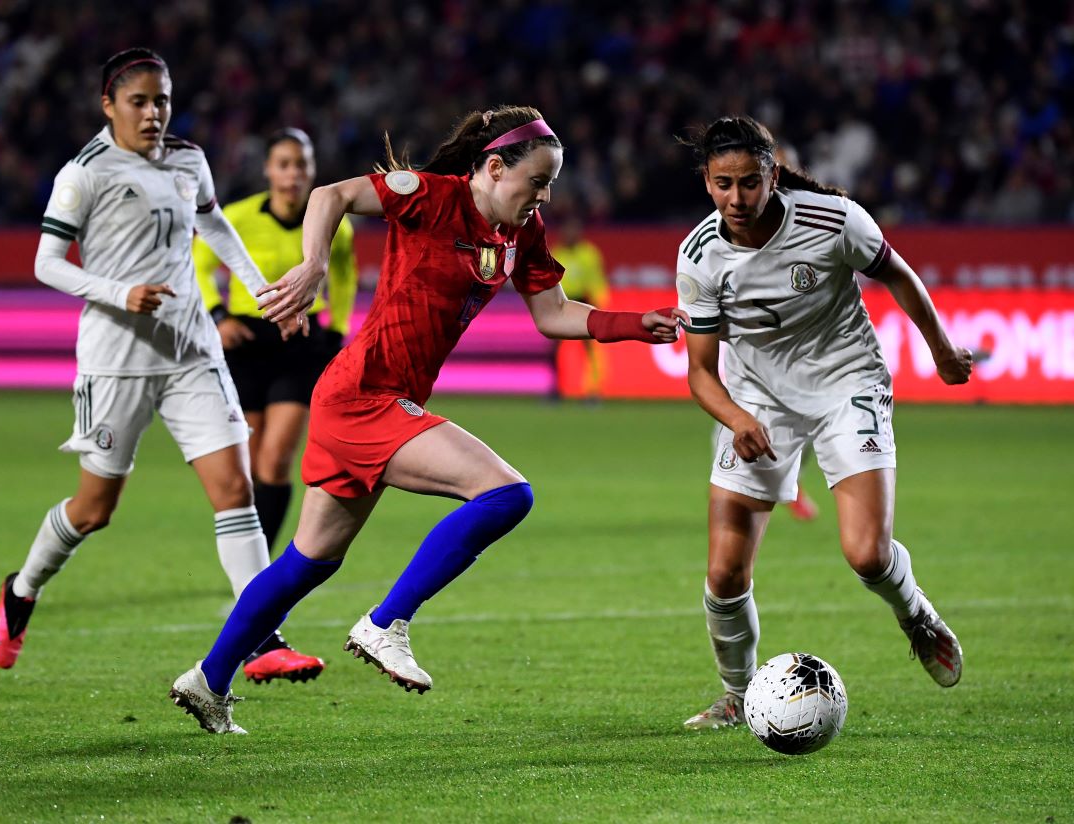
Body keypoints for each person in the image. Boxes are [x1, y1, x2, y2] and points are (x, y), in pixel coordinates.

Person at [168, 105, 688, 734]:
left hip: (370, 398)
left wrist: (633, 325)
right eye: (536, 183)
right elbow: (331, 194)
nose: (542, 197)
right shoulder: (433, 197)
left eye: (550, 185)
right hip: (367, 393)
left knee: (309, 562)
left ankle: (207, 679)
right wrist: (311, 265)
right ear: (494, 168)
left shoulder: (520, 231)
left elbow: (552, 313)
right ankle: (387, 622)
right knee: (505, 494)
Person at [0, 48, 306, 674]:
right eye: (139, 101)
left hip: (192, 351)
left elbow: (213, 227)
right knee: (94, 510)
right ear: (109, 106)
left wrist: (264, 291)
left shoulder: (189, 159)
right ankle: (21, 589)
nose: (154, 112)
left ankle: (261, 640)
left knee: (236, 491)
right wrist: (118, 292)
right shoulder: (83, 173)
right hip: (116, 359)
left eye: (162, 99)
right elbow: (45, 263)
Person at [675, 116, 972, 730]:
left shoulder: (832, 219)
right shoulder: (700, 257)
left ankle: (915, 615)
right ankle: (736, 695)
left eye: (750, 183)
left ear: (772, 174)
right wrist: (735, 417)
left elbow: (899, 275)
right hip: (758, 403)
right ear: (706, 182)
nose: (737, 198)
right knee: (725, 573)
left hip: (848, 385)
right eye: (723, 184)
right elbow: (701, 372)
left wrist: (940, 349)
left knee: (866, 555)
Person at [193, 127, 358, 683]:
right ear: (268, 169)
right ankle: (256, 573)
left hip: (297, 345)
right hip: (247, 343)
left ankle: (256, 579)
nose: (293, 174)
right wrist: (219, 314)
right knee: (251, 456)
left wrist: (338, 323)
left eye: (302, 165)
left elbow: (343, 274)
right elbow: (198, 259)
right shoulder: (237, 215)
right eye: (284, 164)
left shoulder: (331, 222)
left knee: (276, 458)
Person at [549, 216, 610, 400]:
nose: (570, 234)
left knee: (590, 351)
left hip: (583, 303)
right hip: (559, 305)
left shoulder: (589, 254)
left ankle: (593, 391)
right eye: (567, 230)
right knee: (554, 352)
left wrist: (599, 307)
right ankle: (556, 389)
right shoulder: (555, 253)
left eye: (573, 230)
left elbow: (597, 281)